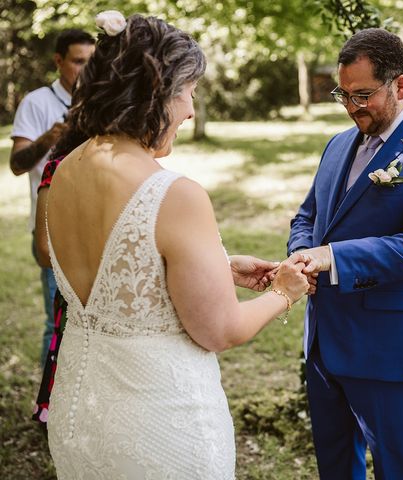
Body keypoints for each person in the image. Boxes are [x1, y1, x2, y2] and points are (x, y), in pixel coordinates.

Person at [45, 12, 310, 479]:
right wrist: (283, 292)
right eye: (188, 91)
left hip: (80, 418)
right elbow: (220, 329)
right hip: (160, 426)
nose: (191, 109)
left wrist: (219, 266)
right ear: (156, 92)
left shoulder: (66, 170)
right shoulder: (175, 194)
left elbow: (117, 270)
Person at [288, 28, 403, 479]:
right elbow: (307, 217)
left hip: (389, 345)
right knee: (334, 464)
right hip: (324, 341)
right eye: (344, 94)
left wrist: (331, 257)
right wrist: (300, 255)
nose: (352, 106)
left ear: (401, 85)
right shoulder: (337, 145)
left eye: (363, 94)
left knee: (399, 469)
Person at [10, 29, 95, 367]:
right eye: (78, 62)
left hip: (97, 227)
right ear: (59, 61)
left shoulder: (99, 103)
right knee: (57, 322)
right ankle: (48, 409)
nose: (85, 70)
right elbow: (17, 165)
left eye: (91, 62)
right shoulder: (37, 102)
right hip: (51, 231)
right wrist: (48, 139)